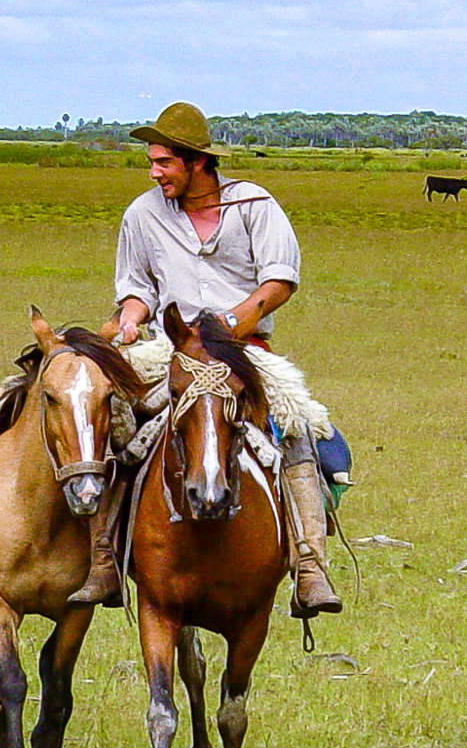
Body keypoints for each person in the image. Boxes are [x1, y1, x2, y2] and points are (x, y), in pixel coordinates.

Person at [71, 100, 345, 618]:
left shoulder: (256, 205)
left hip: (242, 351)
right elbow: (136, 291)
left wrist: (228, 327)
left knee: (296, 427)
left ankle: (310, 566)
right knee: (114, 422)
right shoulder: (142, 214)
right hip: (169, 350)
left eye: (163, 163)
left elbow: (279, 280)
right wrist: (130, 320)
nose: (154, 173)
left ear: (197, 161)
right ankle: (104, 559)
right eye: (151, 162)